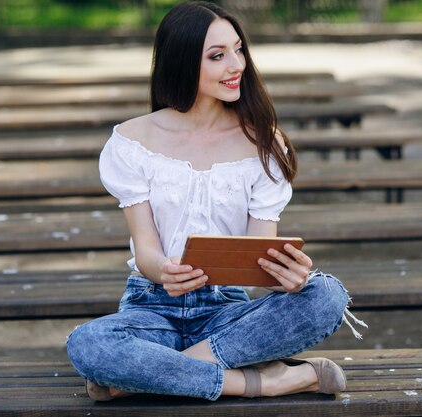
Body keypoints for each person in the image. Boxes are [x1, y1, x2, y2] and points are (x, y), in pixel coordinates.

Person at [67, 1, 365, 401]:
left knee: (326, 294)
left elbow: (259, 256)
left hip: (228, 313)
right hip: (153, 308)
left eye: (239, 50)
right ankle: (261, 382)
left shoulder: (263, 142)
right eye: (218, 56)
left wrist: (287, 277)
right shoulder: (133, 141)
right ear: (183, 61)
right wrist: (164, 272)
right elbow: (147, 254)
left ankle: (147, 375)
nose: (236, 65)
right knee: (88, 344)